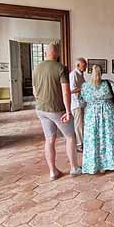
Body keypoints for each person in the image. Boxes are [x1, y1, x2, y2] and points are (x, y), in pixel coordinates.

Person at [32, 43, 81, 180]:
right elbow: (66, 92)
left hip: (41, 109)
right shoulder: (61, 68)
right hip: (57, 109)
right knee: (70, 136)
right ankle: (73, 168)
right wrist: (68, 111)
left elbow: (35, 91)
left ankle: (53, 172)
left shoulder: (37, 68)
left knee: (49, 140)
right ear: (57, 53)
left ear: (45, 53)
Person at [80, 65, 114, 174]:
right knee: (109, 137)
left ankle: (94, 165)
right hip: (108, 113)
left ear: (91, 72)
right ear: (102, 73)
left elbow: (82, 99)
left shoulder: (85, 86)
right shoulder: (108, 83)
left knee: (93, 138)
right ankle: (111, 163)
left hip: (91, 113)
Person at [70, 58, 87, 152]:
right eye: (84, 65)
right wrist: (84, 87)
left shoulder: (81, 74)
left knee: (81, 125)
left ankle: (82, 143)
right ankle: (79, 145)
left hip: (81, 103)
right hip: (76, 104)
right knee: (78, 125)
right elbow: (71, 90)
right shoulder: (73, 75)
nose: (86, 67)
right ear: (78, 65)